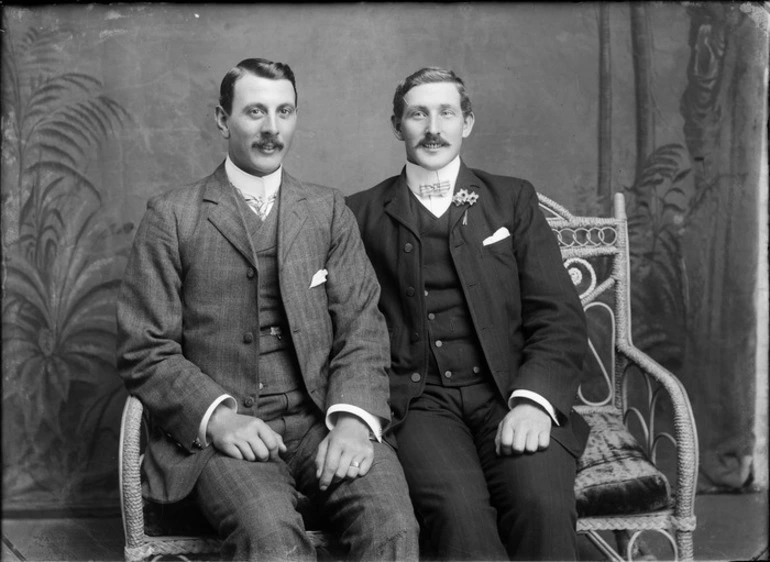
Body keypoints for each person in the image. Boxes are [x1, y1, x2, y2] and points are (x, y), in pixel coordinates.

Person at [117, 58, 419, 561]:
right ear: (222, 119)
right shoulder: (173, 215)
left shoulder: (327, 210)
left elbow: (363, 326)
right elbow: (144, 347)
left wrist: (351, 422)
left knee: (392, 527)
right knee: (272, 539)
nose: (271, 129)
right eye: (255, 112)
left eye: (284, 112)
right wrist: (218, 419)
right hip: (228, 433)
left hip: (322, 417)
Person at [346, 66, 589, 561]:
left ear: (467, 123)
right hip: (419, 403)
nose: (433, 128)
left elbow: (557, 313)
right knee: (459, 512)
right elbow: (347, 324)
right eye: (418, 114)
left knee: (540, 503)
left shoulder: (510, 199)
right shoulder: (360, 213)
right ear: (398, 126)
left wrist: (535, 401)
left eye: (446, 113)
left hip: (508, 390)